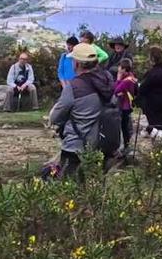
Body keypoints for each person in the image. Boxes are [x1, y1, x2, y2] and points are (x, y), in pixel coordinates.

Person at [49, 43, 115, 180]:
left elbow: (55, 117)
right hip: (99, 144)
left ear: (77, 63)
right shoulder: (106, 81)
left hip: (74, 145)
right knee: (91, 184)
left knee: (68, 185)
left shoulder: (74, 87)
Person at [137, 46, 162, 134]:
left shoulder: (151, 73)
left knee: (155, 130)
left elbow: (142, 90)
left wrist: (140, 104)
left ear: (153, 58)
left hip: (153, 106)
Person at [114, 58, 139, 152]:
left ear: (124, 69)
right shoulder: (131, 77)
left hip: (124, 106)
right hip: (128, 105)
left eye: (120, 67)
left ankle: (125, 146)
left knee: (123, 127)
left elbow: (115, 90)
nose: (118, 69)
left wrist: (118, 78)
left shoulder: (126, 80)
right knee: (126, 126)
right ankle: (126, 145)